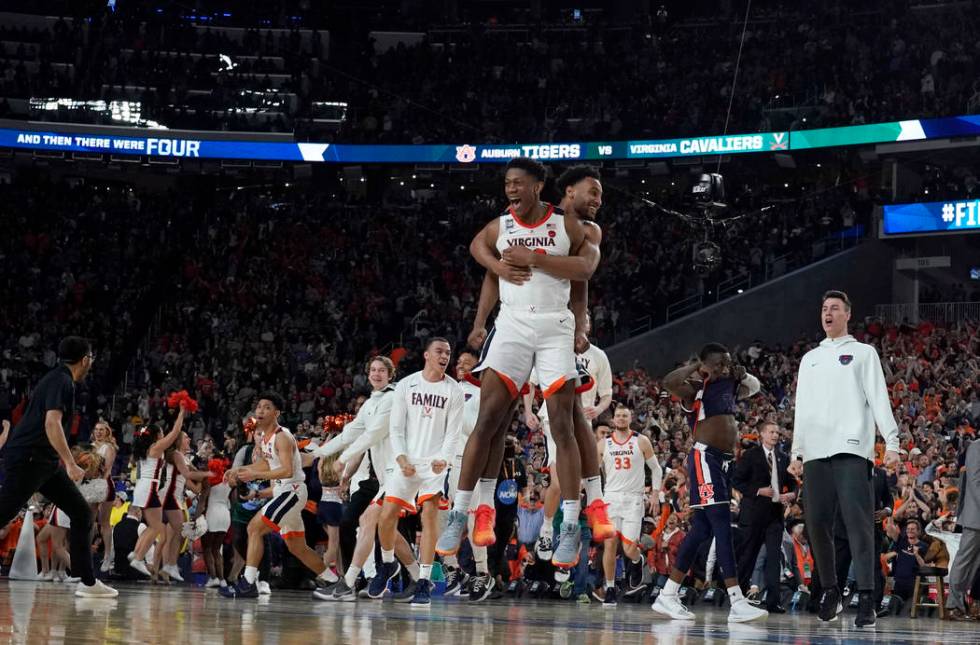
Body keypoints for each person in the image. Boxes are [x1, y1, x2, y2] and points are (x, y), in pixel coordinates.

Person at [439, 158, 601, 570]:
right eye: (507, 183)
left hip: (553, 327)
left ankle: (568, 523)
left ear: (538, 186)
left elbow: (584, 269)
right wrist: (490, 289)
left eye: (518, 183)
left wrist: (535, 260)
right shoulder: (501, 225)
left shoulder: (565, 224)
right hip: (511, 325)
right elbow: (478, 248)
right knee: (488, 419)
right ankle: (463, 512)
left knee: (561, 424)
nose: (511, 189)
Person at [789, 290, 900, 628]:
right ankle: (831, 589)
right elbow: (802, 409)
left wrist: (891, 442)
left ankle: (867, 595)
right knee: (816, 523)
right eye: (824, 308)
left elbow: (879, 398)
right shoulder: (810, 358)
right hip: (816, 452)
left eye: (835, 308)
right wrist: (797, 451)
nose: (828, 313)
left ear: (848, 315)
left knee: (858, 524)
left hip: (852, 447)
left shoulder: (863, 353)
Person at [651, 343, 767, 623]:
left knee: (702, 528)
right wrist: (699, 368)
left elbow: (755, 388)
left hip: (724, 461)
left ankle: (668, 594)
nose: (725, 368)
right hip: (705, 457)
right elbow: (668, 381)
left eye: (728, 363)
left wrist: (743, 374)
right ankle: (736, 601)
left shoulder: (728, 381)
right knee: (722, 526)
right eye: (720, 363)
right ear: (706, 364)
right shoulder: (693, 387)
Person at [0, 337, 117, 598]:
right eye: (92, 358)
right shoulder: (61, 381)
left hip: (45, 461)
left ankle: (87, 583)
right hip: (30, 458)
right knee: (3, 512)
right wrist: (71, 463)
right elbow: (52, 423)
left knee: (81, 513)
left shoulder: (59, 379)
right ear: (85, 359)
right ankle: (87, 582)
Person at [220, 392, 336, 598]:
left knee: (254, 528)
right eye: (259, 407)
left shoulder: (282, 436)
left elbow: (286, 470)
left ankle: (248, 583)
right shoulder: (266, 438)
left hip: (291, 490)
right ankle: (333, 581)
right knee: (297, 546)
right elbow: (266, 464)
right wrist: (239, 470)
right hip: (284, 492)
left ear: (277, 413)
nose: (261, 411)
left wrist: (254, 473)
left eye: (266, 407)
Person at [376, 337, 464, 607]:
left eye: (448, 353)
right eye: (439, 351)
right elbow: (396, 428)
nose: (445, 356)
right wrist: (401, 457)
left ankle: (424, 581)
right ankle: (388, 563)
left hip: (434, 465)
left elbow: (453, 433)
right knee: (386, 517)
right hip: (407, 461)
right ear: (427, 355)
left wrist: (445, 459)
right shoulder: (406, 384)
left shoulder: (454, 390)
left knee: (429, 519)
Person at [597, 405, 662, 606]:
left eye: (625, 415)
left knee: (628, 548)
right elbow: (592, 473)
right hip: (611, 497)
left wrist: (655, 494)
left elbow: (656, 469)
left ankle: (637, 559)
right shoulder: (603, 444)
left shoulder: (641, 441)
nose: (621, 418)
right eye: (618, 416)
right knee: (609, 544)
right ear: (613, 420)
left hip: (634, 498)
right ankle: (609, 588)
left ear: (630, 418)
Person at [732, 421, 798, 612]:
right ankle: (738, 597)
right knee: (748, 556)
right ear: (761, 434)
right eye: (771, 432)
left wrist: (792, 494)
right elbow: (737, 480)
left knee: (773, 557)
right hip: (753, 514)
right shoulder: (750, 456)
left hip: (775, 515)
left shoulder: (783, 457)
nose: (775, 435)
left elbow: (793, 482)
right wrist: (758, 490)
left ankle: (773, 601)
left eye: (777, 432)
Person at [128, 408, 188, 576]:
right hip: (149, 488)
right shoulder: (156, 447)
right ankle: (139, 558)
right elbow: (176, 431)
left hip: (142, 487)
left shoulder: (145, 448)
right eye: (161, 432)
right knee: (156, 527)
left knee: (153, 525)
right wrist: (181, 413)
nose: (163, 434)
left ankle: (136, 552)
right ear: (156, 436)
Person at [946, 437, 980, 620]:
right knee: (965, 561)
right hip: (975, 516)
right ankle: (953, 605)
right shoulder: (976, 447)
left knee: (974, 565)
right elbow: (975, 483)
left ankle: (961, 603)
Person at [91, 421, 118, 573]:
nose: (98, 432)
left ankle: (108, 555)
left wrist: (98, 484)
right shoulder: (90, 446)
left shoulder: (109, 448)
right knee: (90, 521)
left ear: (107, 432)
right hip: (91, 484)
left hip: (104, 484)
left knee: (104, 522)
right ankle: (86, 554)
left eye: (102, 430)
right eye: (96, 429)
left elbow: (106, 471)